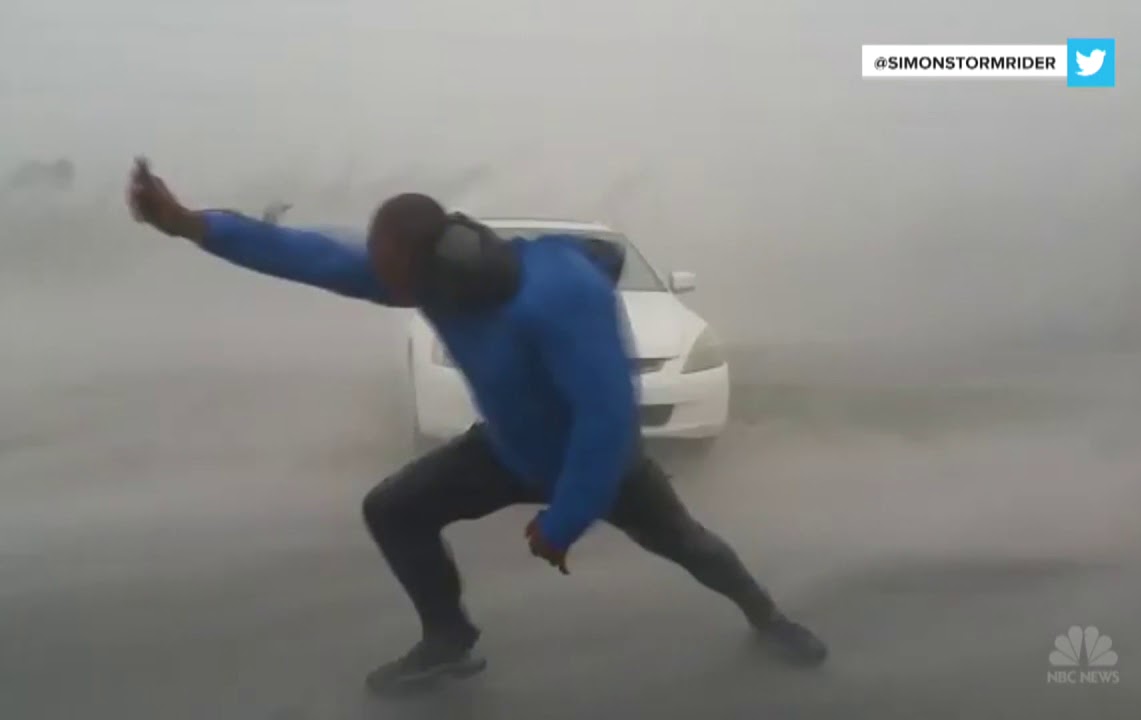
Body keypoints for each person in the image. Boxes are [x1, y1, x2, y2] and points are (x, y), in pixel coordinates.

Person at [126, 158, 828, 694]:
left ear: (432, 256)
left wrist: (565, 520)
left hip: (598, 462)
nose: (381, 284)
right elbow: (310, 255)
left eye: (390, 270)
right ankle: (449, 638)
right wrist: (190, 224)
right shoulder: (423, 277)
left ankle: (768, 617)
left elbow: (606, 418)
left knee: (688, 544)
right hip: (505, 447)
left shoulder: (556, 295)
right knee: (393, 508)